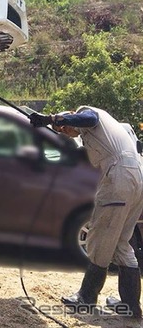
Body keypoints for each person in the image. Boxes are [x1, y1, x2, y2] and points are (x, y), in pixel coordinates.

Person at [30, 106, 143, 318]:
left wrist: (51, 117)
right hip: (137, 179)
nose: (64, 130)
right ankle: (131, 306)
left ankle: (87, 297)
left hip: (119, 178)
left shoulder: (89, 113)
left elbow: (87, 118)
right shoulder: (105, 133)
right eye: (62, 129)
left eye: (65, 127)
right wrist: (61, 128)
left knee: (99, 238)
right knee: (120, 241)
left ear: (73, 116)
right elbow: (79, 147)